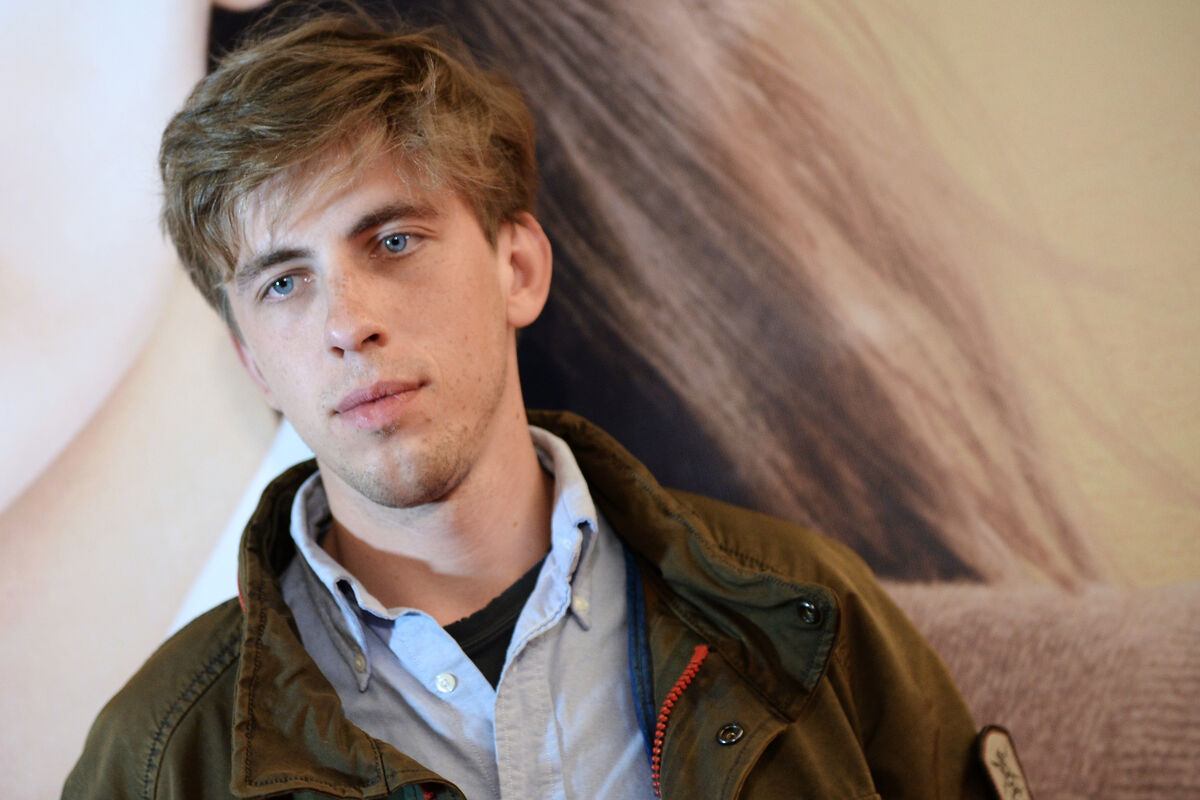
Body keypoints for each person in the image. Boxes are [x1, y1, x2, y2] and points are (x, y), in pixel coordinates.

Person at [64, 10, 1012, 799]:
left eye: (392, 242)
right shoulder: (157, 757)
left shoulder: (810, 609)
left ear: (516, 268)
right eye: (283, 283)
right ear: (254, 366)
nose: (346, 324)